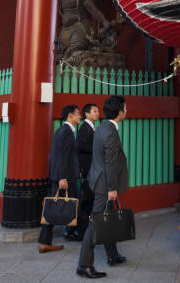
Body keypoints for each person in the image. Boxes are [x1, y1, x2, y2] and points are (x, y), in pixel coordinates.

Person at [77, 95, 128, 279]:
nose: (126, 111)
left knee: (108, 218)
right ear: (120, 112)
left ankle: (112, 255)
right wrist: (112, 188)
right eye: (125, 108)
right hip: (104, 184)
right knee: (96, 224)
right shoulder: (110, 132)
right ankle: (84, 265)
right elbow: (110, 162)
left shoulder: (102, 127)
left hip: (98, 180)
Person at [38, 104, 81, 253]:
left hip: (60, 175)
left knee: (53, 207)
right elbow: (62, 157)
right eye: (77, 114)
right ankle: (46, 241)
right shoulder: (67, 132)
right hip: (63, 177)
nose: (79, 116)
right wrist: (63, 177)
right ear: (70, 116)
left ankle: (46, 240)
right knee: (53, 208)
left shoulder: (62, 131)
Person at [76, 103, 100, 235]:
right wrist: (96, 149)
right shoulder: (85, 128)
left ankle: (85, 228)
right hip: (86, 170)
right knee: (86, 199)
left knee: (88, 199)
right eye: (94, 111)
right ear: (87, 114)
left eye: (97, 111)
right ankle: (81, 229)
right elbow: (79, 146)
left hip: (90, 169)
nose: (97, 113)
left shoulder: (91, 127)